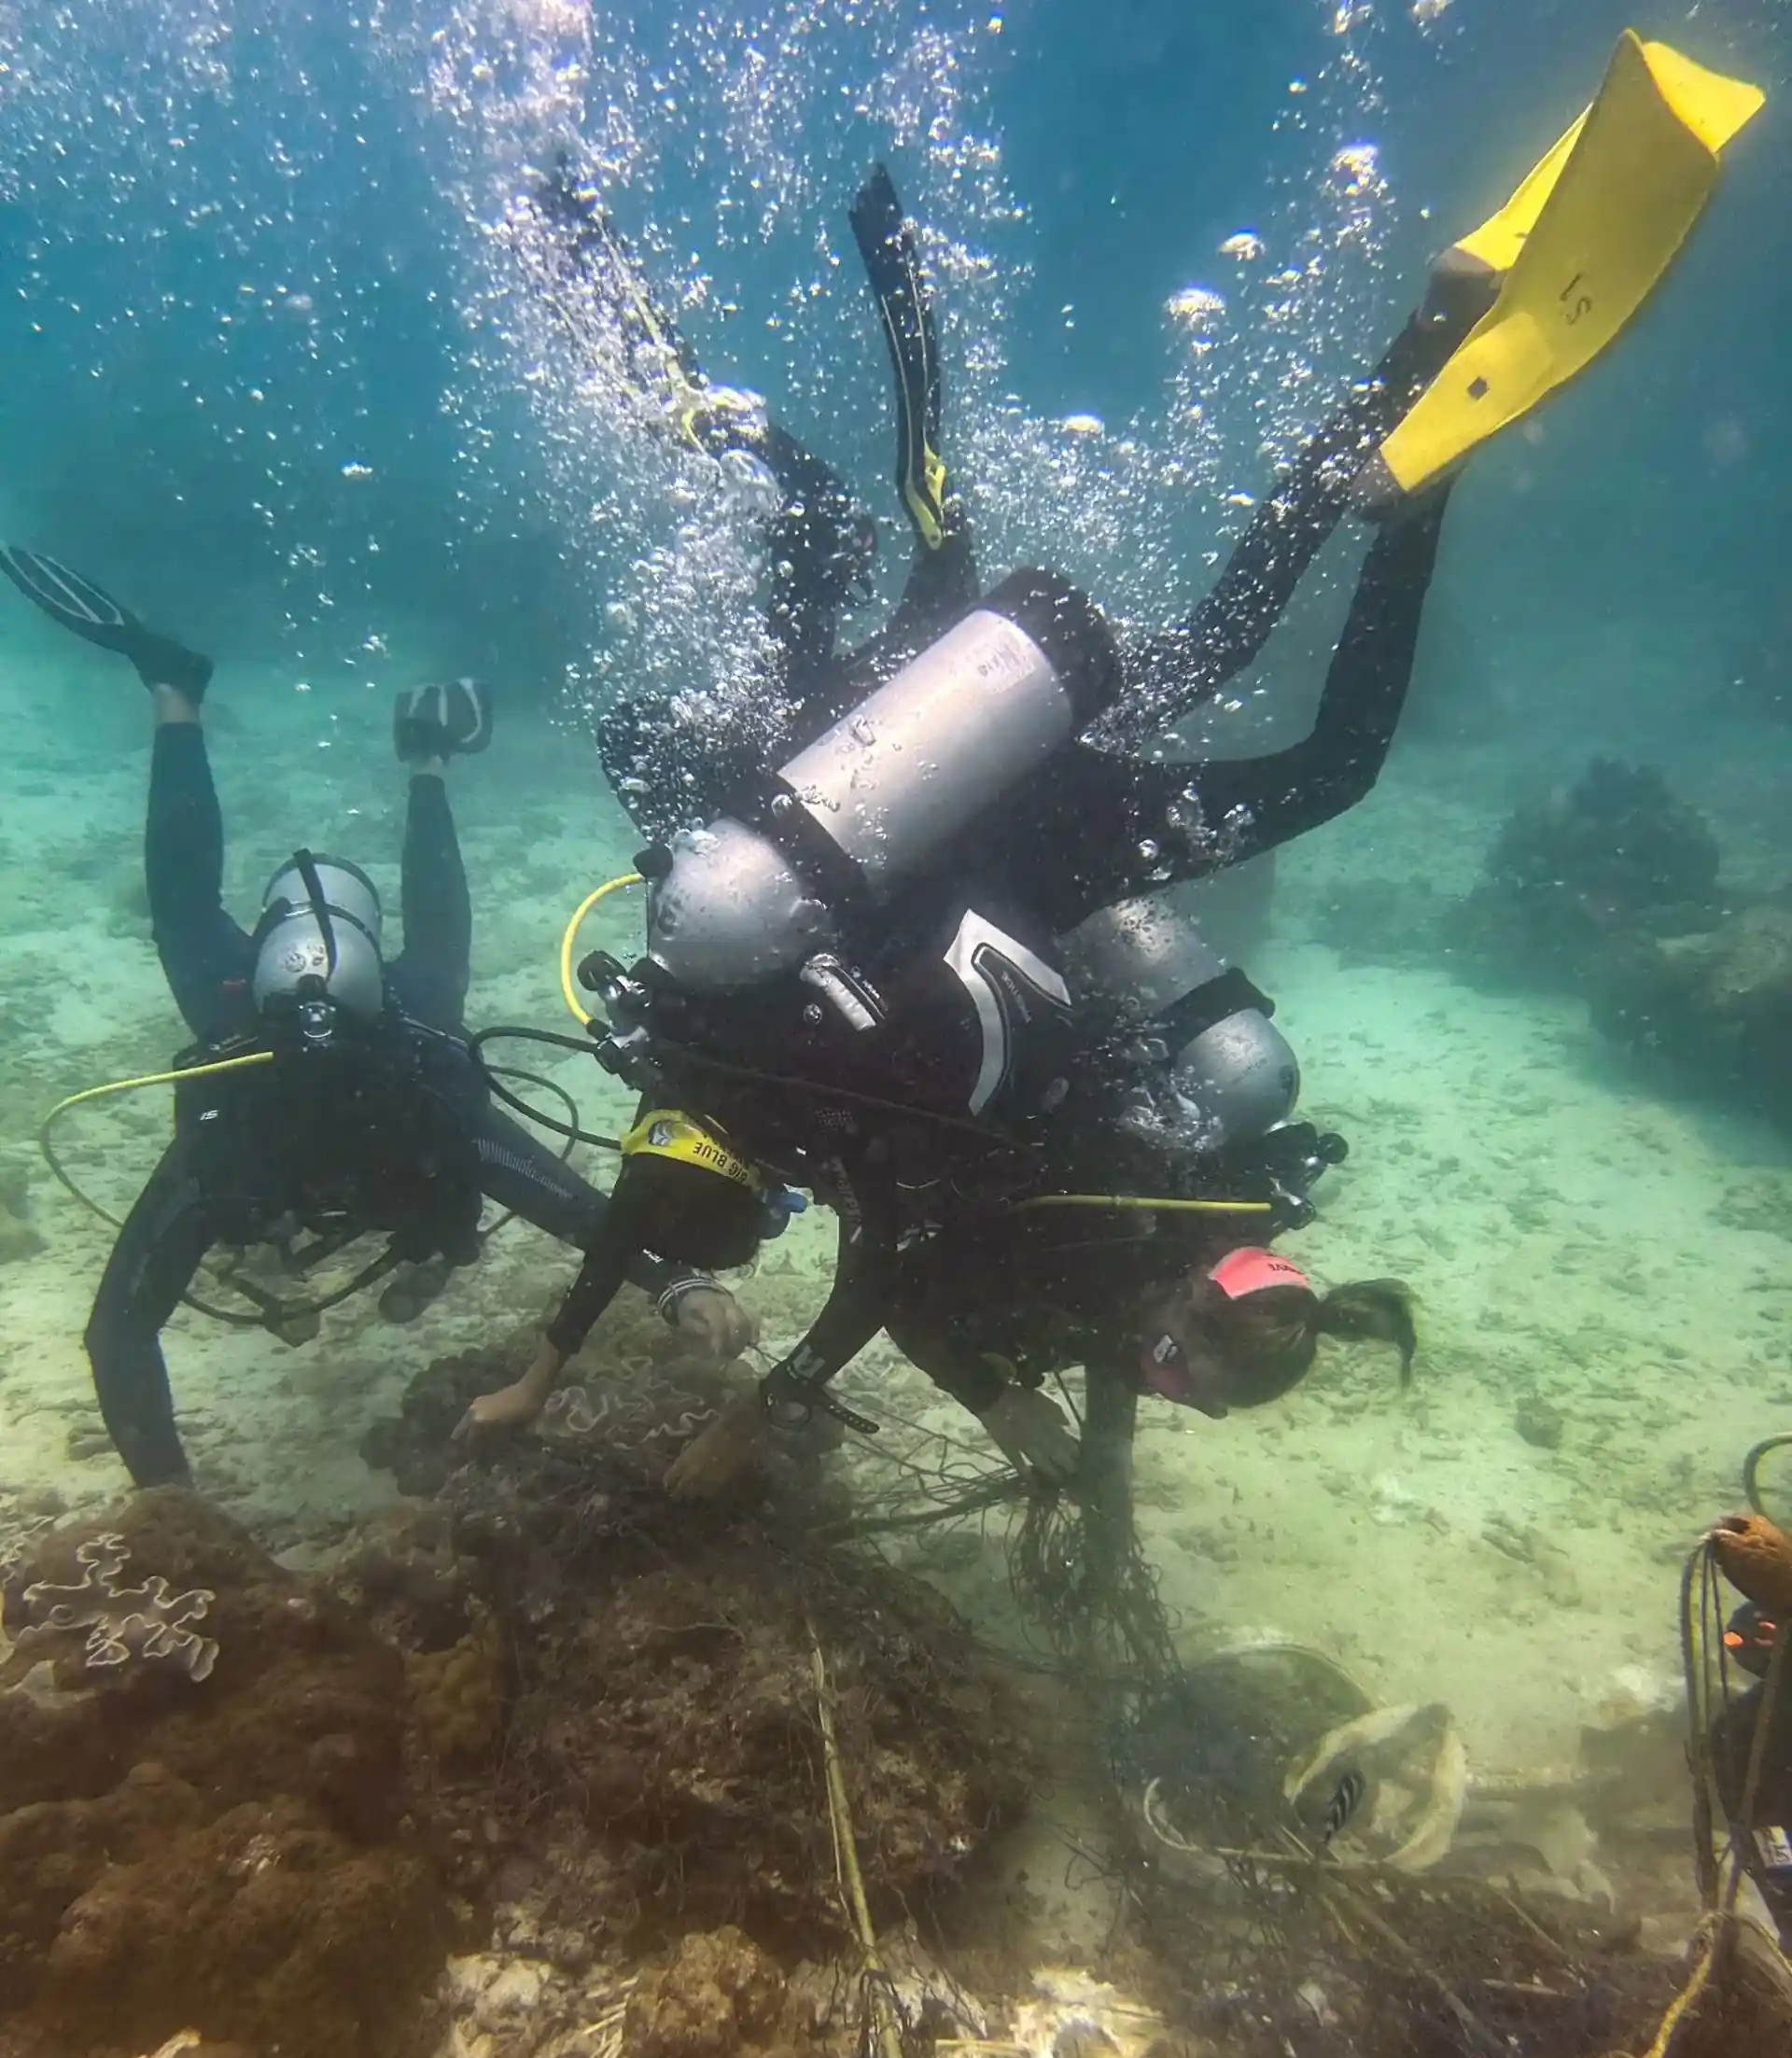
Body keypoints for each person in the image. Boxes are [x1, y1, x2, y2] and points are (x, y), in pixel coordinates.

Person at [468, 36, 1758, 1463]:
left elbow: (893, 1227)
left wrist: (557, 1370)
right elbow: (889, 1222)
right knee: (932, 562)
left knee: (1252, 717)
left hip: (1018, 833)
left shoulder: (794, 992)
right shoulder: (780, 949)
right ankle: (1411, 388)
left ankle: (1417, 400)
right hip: (1030, 838)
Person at [0, 548, 748, 1487]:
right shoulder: (379, 1088)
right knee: (417, 946)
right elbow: (568, 1204)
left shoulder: (284, 1109)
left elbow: (117, 1333)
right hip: (327, 1031)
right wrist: (675, 1278)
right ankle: (414, 756)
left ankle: (181, 695)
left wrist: (170, 1495)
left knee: (196, 919)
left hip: (303, 1033)